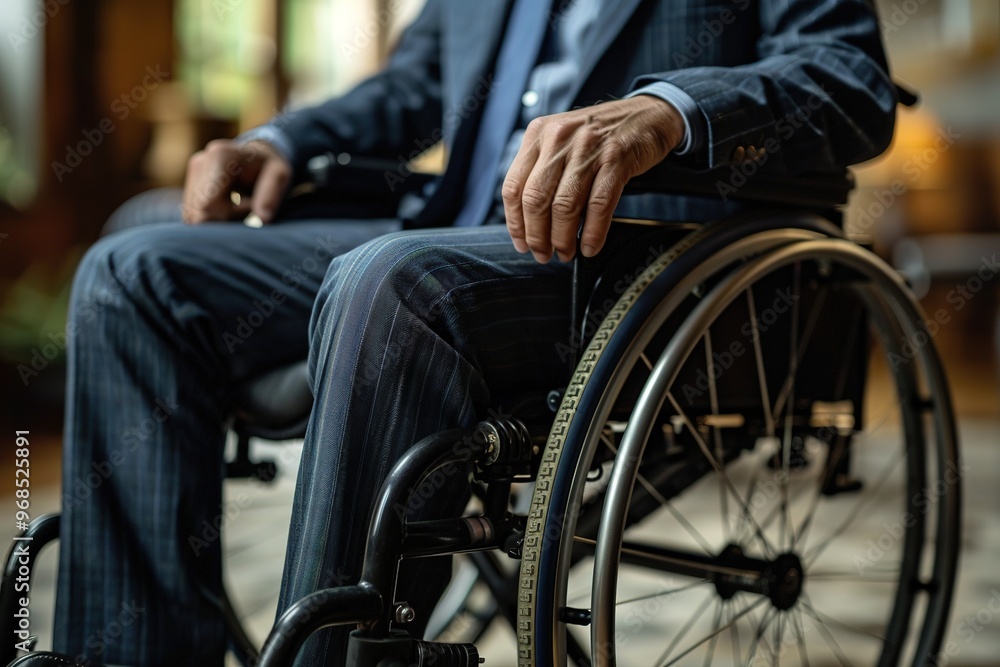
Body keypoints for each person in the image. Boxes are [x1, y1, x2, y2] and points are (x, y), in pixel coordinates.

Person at [27, 0, 897, 665]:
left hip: (634, 257)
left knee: (391, 281)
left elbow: (849, 79)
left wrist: (665, 112)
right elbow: (412, 92)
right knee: (132, 265)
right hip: (455, 229)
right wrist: (283, 138)